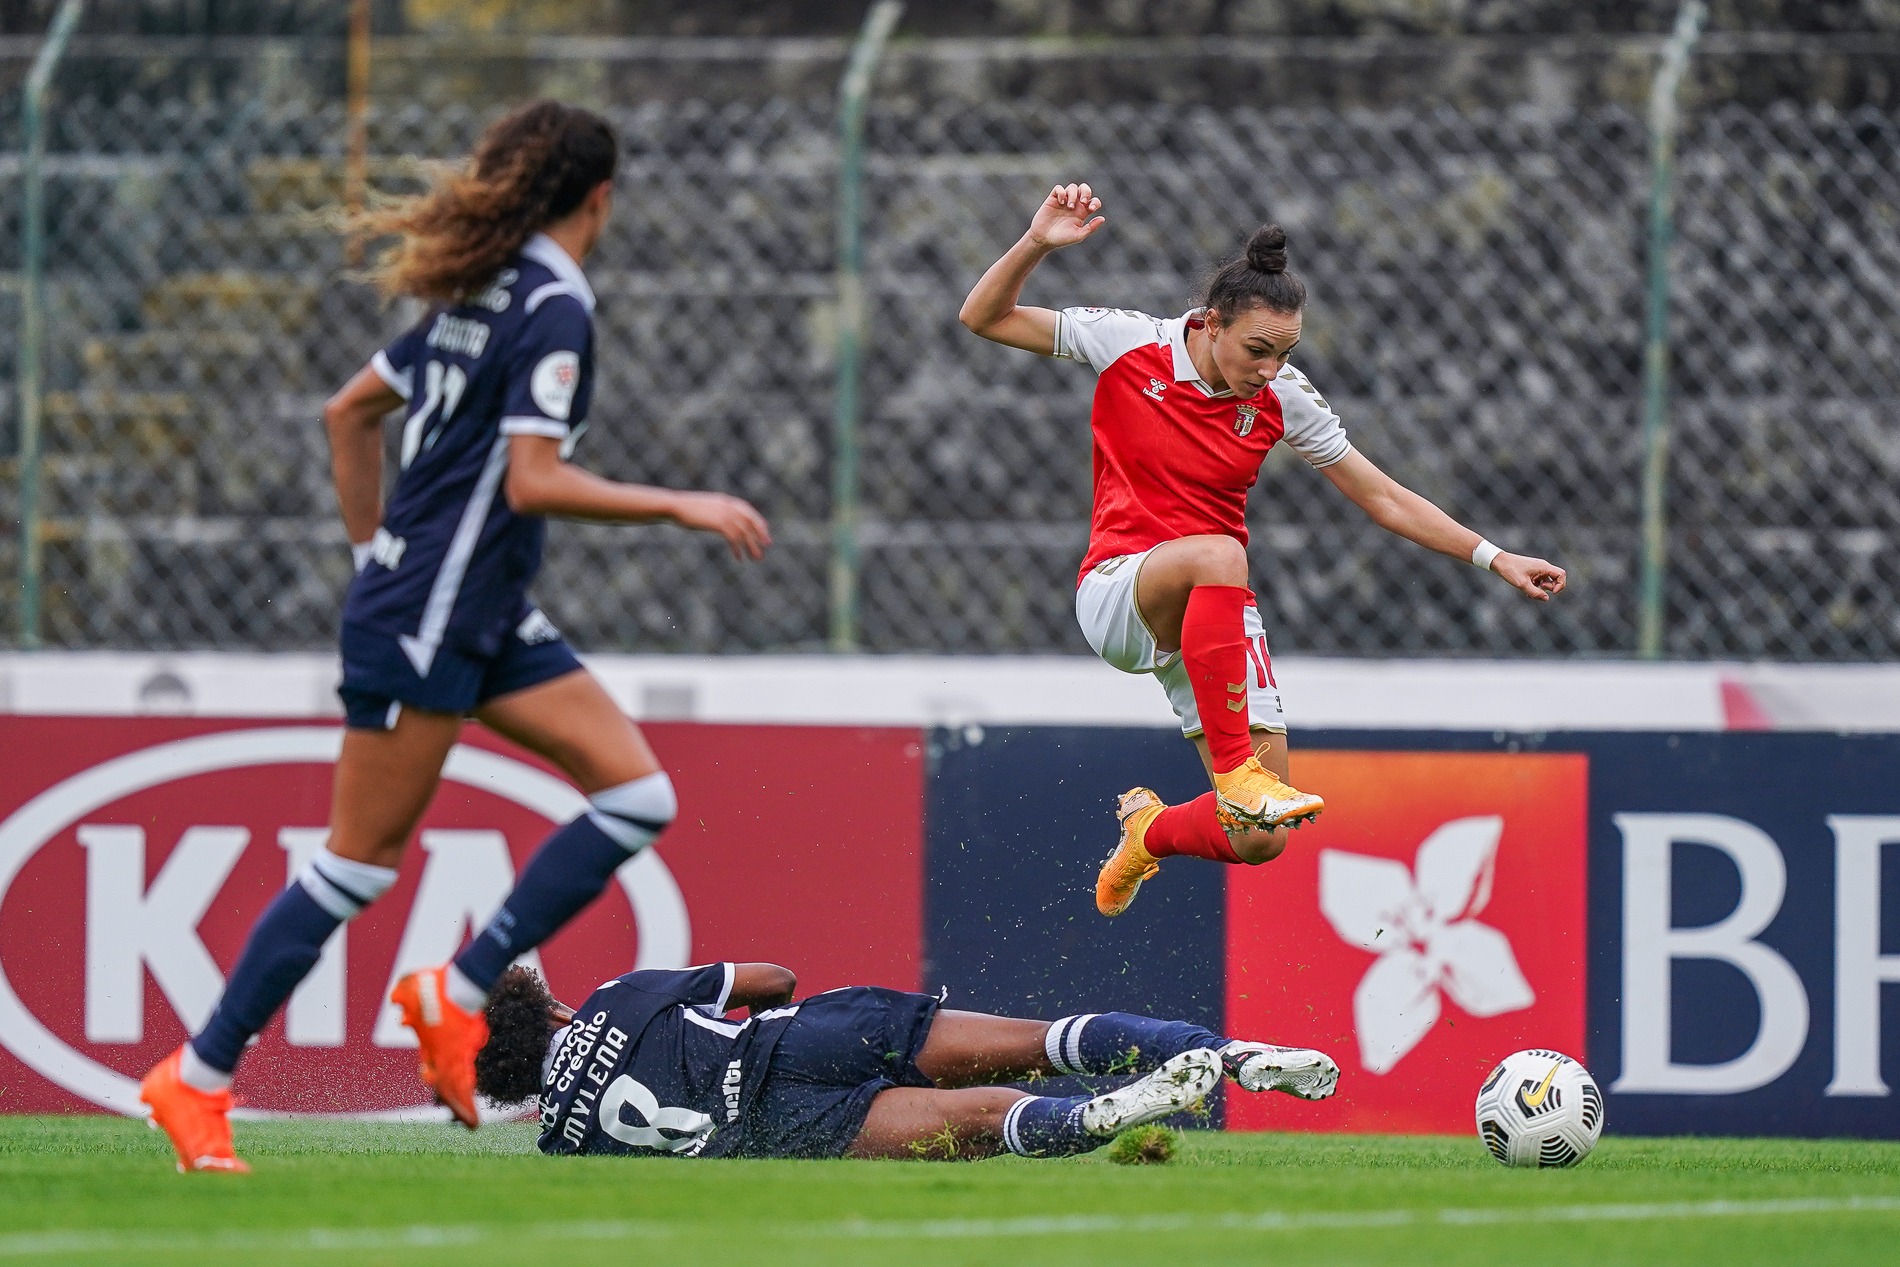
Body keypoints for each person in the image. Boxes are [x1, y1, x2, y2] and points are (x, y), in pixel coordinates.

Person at [137, 100, 772, 1174]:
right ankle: (196, 1077)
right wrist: (680, 503)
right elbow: (533, 479)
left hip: (475, 609)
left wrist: (369, 554)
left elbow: (348, 412)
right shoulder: (554, 303)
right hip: (433, 614)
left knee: (635, 797)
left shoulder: (482, 287)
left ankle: (461, 988)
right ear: (600, 198)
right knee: (355, 865)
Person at [959, 183, 1567, 919]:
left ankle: (1149, 833)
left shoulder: (1285, 397)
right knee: (1220, 557)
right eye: (1257, 350)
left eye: (1285, 353)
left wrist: (1494, 556)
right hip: (1122, 589)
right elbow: (982, 317)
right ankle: (1236, 771)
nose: (1270, 369)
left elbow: (1382, 496)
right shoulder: (1130, 342)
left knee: (1259, 837)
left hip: (1213, 615)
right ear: (1210, 323)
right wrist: (1036, 244)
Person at [477, 963, 1339, 1161]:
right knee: (1037, 1041)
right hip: (792, 1039)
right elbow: (772, 977)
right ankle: (1226, 1052)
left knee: (983, 1119)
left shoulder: (564, 1144)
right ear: (551, 1009)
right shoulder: (614, 997)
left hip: (777, 1127)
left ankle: (1098, 1117)